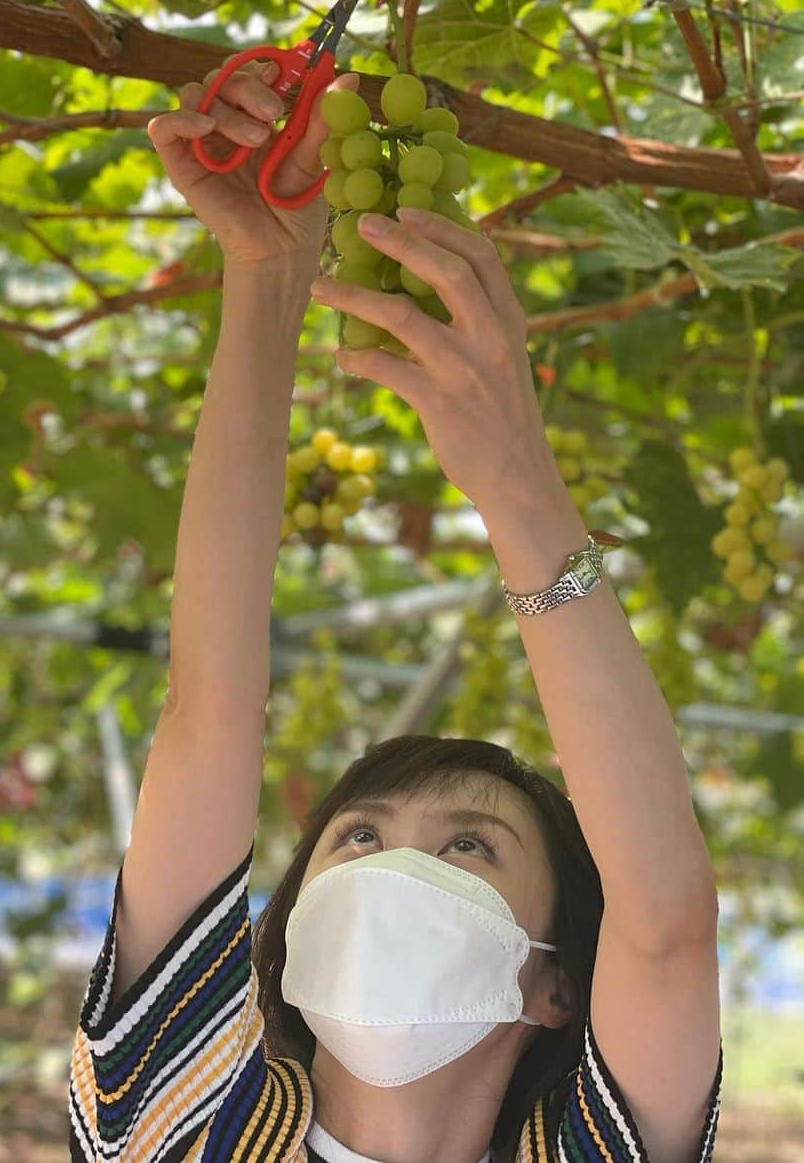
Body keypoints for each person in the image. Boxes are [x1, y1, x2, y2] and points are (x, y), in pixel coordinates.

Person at [67, 61, 724, 1162]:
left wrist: (519, 484)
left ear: (556, 982)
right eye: (358, 838)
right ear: (280, 936)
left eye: (468, 847)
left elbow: (664, 925)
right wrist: (269, 272)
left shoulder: (160, 1134)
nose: (384, 871)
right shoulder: (168, 1111)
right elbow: (207, 713)